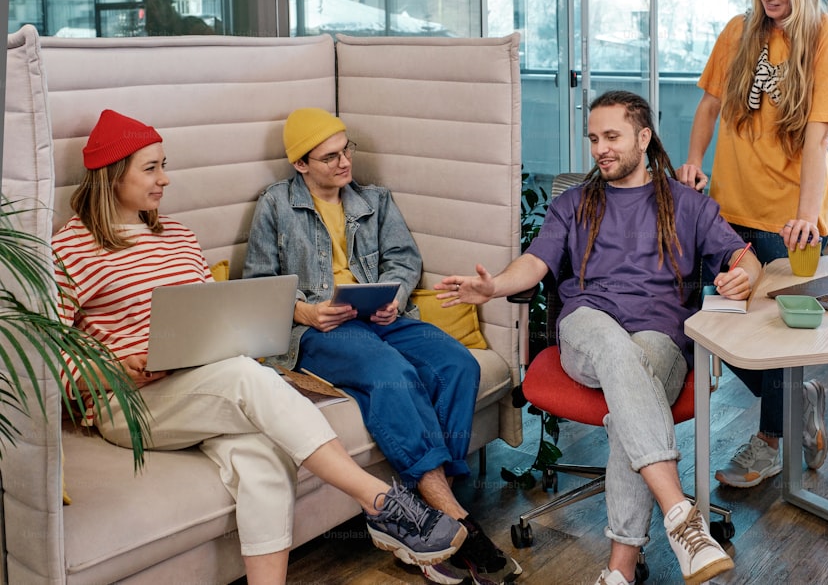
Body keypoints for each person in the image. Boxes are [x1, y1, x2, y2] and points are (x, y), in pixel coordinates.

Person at [52, 109, 467, 585]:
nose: (165, 179)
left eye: (164, 164)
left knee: (265, 461)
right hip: (129, 401)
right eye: (151, 168)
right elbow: (49, 354)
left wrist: (236, 338)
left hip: (200, 384)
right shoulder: (71, 249)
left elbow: (213, 316)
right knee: (248, 377)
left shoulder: (180, 237)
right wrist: (119, 369)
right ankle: (381, 503)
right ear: (110, 176)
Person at [437, 90, 759, 585]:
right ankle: (680, 514)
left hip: (661, 340)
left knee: (631, 386)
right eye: (593, 138)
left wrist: (748, 275)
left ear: (644, 138)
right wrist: (495, 286)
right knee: (612, 346)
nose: (600, 148)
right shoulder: (573, 204)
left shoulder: (687, 204)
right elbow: (537, 261)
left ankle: (619, 574)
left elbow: (742, 258)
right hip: (586, 328)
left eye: (612, 137)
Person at [242, 107, 520, 585]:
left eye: (346, 149)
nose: (345, 162)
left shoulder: (375, 200)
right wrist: (308, 311)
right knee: (393, 373)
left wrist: (393, 294)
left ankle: (431, 527)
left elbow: (403, 260)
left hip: (380, 316)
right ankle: (460, 526)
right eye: (330, 157)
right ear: (301, 165)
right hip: (320, 329)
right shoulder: (275, 205)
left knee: (456, 364)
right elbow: (259, 283)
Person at [676, 0, 828, 489]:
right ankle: (798, 397)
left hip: (790, 219)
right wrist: (694, 160)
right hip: (727, 213)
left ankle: (771, 441)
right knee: (727, 328)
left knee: (779, 335)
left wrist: (803, 218)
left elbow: (818, 140)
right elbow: (708, 105)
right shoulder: (738, 32)